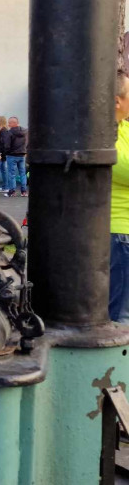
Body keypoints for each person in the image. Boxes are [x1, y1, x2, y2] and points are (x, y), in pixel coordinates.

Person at [110, 71, 129, 322]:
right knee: (121, 316)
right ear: (117, 100)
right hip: (119, 235)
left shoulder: (124, 127)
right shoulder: (105, 134)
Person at [3, 116, 28, 197]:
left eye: (9, 122)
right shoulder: (25, 131)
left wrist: (5, 153)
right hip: (22, 155)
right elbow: (27, 142)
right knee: (22, 173)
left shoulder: (9, 133)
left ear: (14, 123)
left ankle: (12, 191)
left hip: (12, 155)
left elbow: (7, 146)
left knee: (12, 174)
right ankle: (24, 191)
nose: (8, 124)